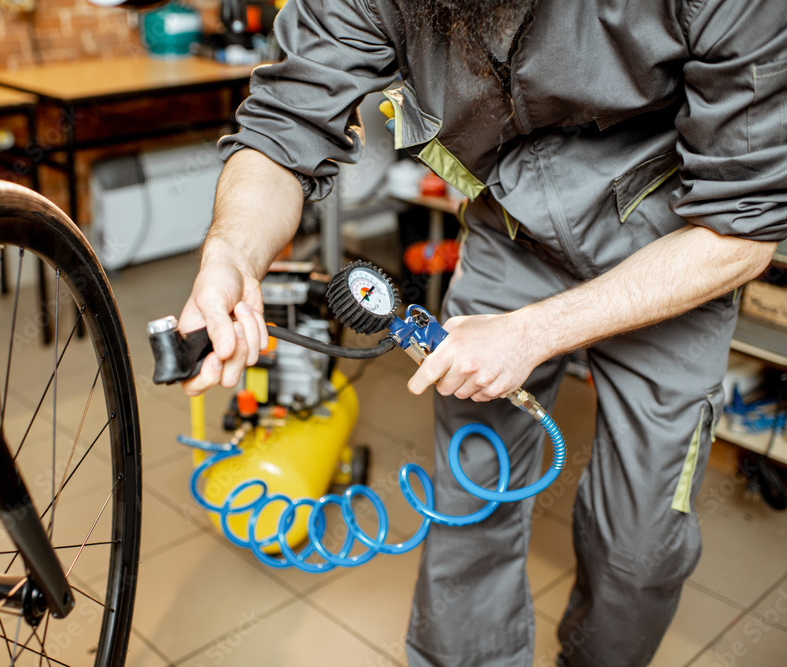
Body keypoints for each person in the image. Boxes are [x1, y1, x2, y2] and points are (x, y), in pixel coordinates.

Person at [176, 1, 787, 665]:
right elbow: (282, 124)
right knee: (471, 503)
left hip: (673, 245)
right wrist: (233, 252)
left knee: (639, 548)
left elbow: (742, 230)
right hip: (513, 223)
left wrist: (533, 333)